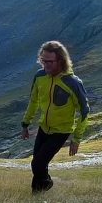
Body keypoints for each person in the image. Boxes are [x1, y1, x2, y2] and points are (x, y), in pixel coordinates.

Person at [21, 40, 89, 193]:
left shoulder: (72, 82)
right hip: (44, 128)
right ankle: (37, 197)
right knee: (38, 164)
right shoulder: (39, 77)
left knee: (37, 164)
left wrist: (76, 139)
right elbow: (33, 102)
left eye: (50, 62)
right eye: (43, 61)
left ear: (61, 60)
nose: (45, 65)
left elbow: (84, 112)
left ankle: (46, 184)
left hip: (61, 131)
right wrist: (25, 124)